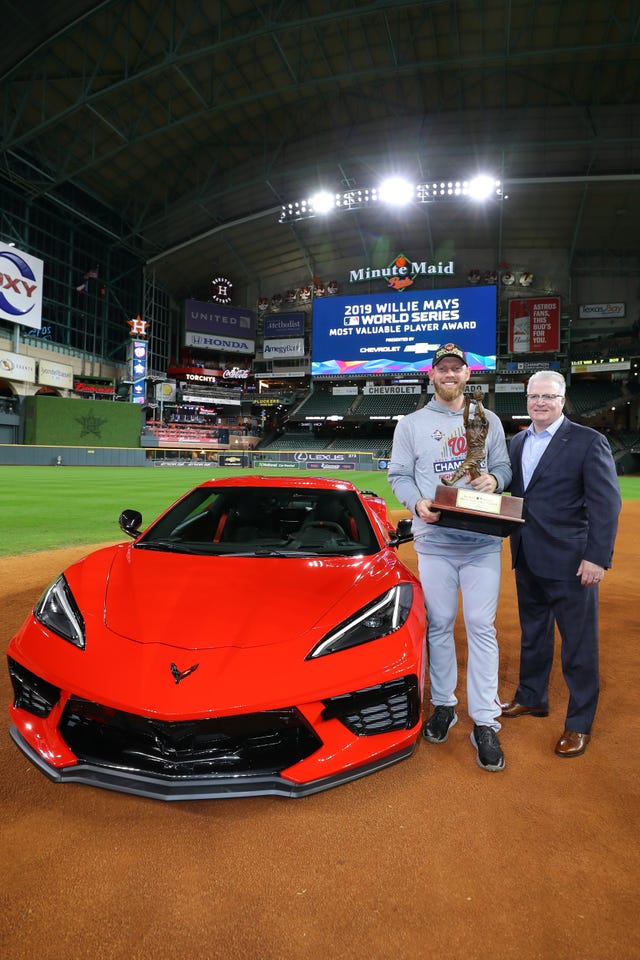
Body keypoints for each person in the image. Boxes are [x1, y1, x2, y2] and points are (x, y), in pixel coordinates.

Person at [388, 343, 512, 772]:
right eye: (443, 369)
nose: (450, 375)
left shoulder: (487, 419)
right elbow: (399, 474)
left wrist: (494, 478)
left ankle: (485, 720)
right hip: (435, 540)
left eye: (457, 369)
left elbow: (504, 467)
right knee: (439, 625)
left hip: (481, 541)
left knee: (481, 626)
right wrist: (417, 502)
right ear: (432, 374)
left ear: (467, 375)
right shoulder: (411, 424)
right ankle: (444, 704)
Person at [502, 370, 621, 757]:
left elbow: (606, 504)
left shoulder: (589, 441)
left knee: (578, 646)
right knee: (533, 635)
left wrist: (597, 558)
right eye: (534, 396)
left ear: (563, 398)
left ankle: (579, 723)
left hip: (572, 562)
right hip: (528, 558)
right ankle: (532, 696)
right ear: (526, 400)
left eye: (548, 396)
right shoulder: (517, 441)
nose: (540, 402)